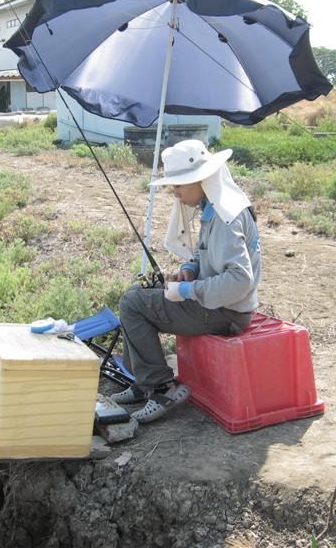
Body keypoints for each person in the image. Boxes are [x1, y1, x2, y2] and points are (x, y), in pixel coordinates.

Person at [112, 139, 261, 423]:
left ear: (201, 180)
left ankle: (161, 387)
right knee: (137, 293)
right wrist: (190, 269)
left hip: (225, 312)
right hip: (219, 305)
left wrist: (187, 290)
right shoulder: (217, 205)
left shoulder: (223, 217)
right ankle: (145, 383)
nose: (175, 192)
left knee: (133, 303)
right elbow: (210, 256)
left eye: (180, 185)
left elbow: (239, 281)